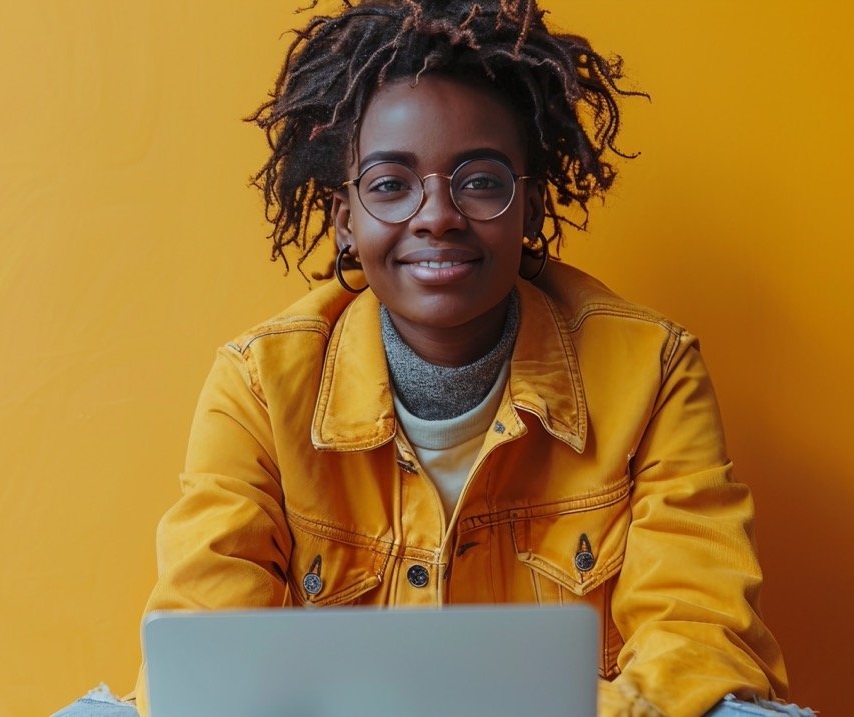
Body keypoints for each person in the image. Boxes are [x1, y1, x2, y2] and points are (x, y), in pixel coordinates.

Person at [133, 1, 792, 715]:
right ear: (344, 219)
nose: (437, 215)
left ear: (530, 207)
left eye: (479, 180)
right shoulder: (259, 385)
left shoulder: (652, 372)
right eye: (390, 184)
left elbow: (697, 635)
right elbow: (205, 649)